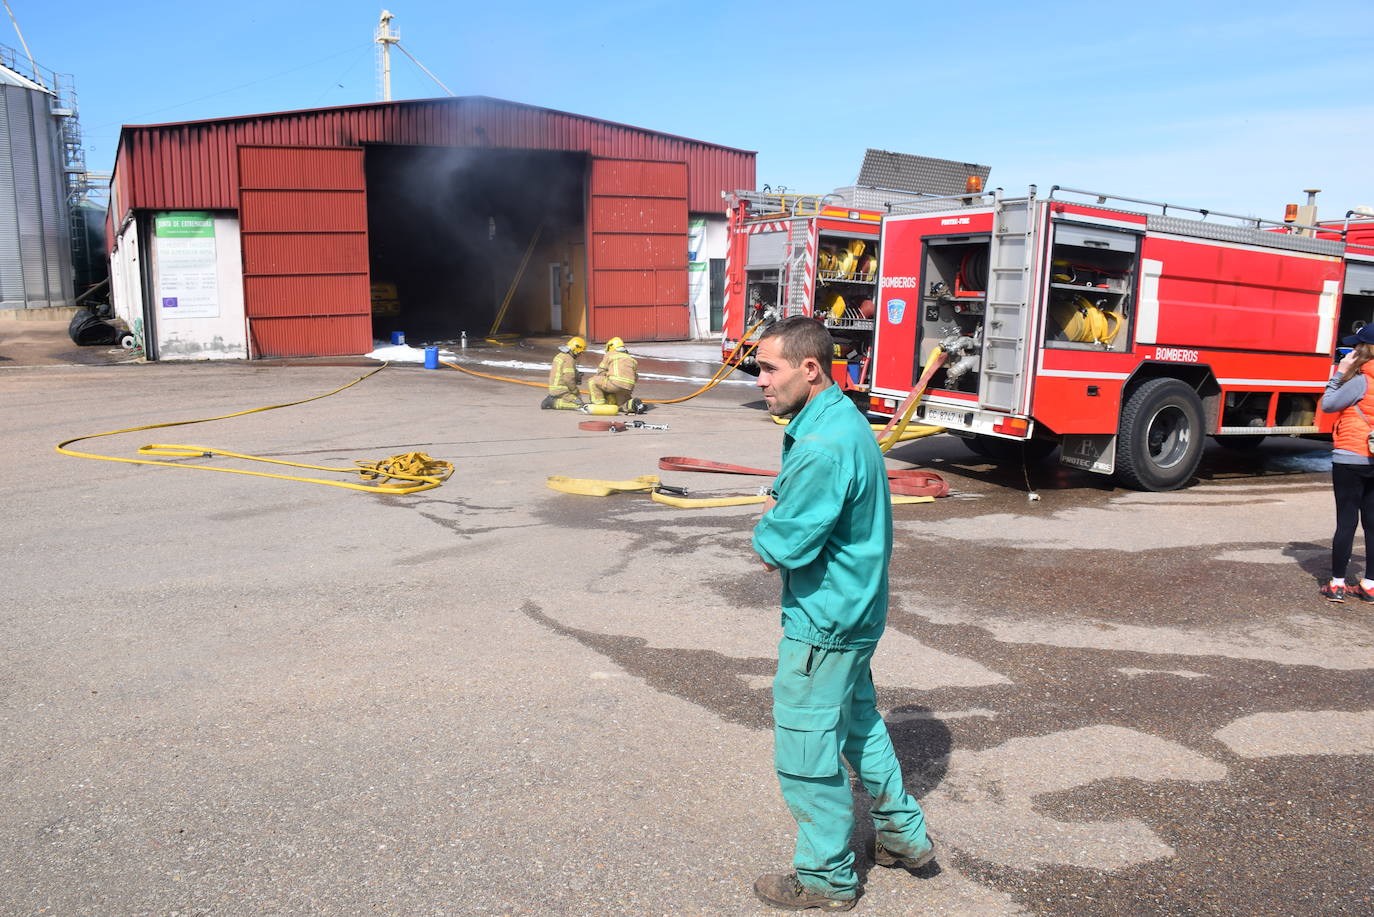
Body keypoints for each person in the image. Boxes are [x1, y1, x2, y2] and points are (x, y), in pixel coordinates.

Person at [749, 316, 935, 911]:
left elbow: (782, 545)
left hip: (825, 622)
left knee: (805, 753)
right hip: (857, 613)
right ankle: (904, 839)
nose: (759, 380)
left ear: (809, 368)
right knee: (859, 724)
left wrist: (764, 533)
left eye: (768, 367)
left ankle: (826, 879)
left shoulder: (823, 447)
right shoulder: (842, 420)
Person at [1319, 325, 1374, 603]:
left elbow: (1328, 405)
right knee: (1373, 523)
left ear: (1364, 350)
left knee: (1347, 522)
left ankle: (1338, 584)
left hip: (1351, 457)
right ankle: (1370, 585)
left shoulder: (1360, 380)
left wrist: (1339, 373)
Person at [586, 336, 643, 414]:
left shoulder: (610, 354)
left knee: (592, 381)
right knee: (621, 405)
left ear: (610, 347)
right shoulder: (631, 359)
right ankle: (633, 405)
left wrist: (605, 390)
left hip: (615, 384)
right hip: (628, 387)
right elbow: (635, 376)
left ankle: (600, 406)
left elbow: (601, 372)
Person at [541, 336, 586, 410]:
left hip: (556, 389)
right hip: (562, 391)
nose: (580, 355)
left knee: (578, 401)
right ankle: (553, 403)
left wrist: (576, 374)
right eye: (580, 352)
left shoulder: (561, 355)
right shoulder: (569, 359)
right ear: (576, 350)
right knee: (580, 405)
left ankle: (552, 399)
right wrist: (575, 391)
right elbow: (568, 379)